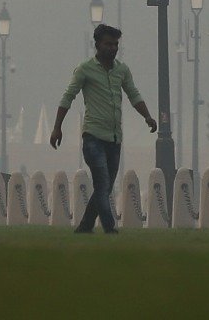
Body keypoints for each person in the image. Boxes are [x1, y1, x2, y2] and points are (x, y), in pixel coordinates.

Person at [50, 23, 157, 235]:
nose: (112, 48)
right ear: (97, 44)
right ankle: (110, 228)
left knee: (104, 187)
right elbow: (68, 97)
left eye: (115, 44)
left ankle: (85, 226)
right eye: (108, 44)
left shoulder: (122, 70)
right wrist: (57, 128)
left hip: (114, 138)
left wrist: (147, 116)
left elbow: (133, 94)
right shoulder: (85, 69)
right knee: (102, 181)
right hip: (93, 137)